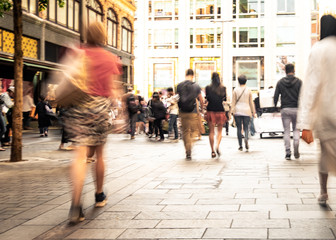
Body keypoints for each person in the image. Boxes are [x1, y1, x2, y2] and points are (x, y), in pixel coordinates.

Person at [59, 22, 122, 224]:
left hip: (78, 106)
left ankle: (76, 205)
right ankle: (99, 194)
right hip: (100, 108)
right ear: (104, 36)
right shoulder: (111, 58)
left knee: (79, 155)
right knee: (99, 155)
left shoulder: (77, 52)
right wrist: (121, 114)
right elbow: (113, 89)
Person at [297, 15, 336, 206]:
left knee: (325, 155)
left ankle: (323, 192)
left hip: (327, 115)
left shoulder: (319, 49)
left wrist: (305, 124)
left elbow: (311, 86)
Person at [274, 63, 302, 160]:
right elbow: (303, 95)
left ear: (285, 71)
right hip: (297, 108)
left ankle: (288, 152)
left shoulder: (280, 82)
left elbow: (276, 96)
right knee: (296, 129)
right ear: (293, 70)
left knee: (286, 131)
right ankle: (296, 146)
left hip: (285, 109)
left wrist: (275, 107)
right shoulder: (299, 82)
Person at [177, 69, 204, 160]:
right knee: (193, 130)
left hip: (183, 111)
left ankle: (187, 150)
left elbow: (177, 97)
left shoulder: (179, 85)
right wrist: (202, 109)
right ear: (193, 75)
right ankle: (190, 144)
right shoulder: (196, 86)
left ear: (185, 75)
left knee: (185, 131)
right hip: (193, 111)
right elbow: (201, 99)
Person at [205, 72, 227, 158]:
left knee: (211, 132)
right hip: (220, 110)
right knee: (220, 131)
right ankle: (217, 145)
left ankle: (212, 151)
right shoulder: (223, 88)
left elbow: (207, 98)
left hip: (210, 110)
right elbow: (224, 98)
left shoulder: (208, 88)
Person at [231, 75, 255, 151]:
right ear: (246, 81)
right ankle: (246, 139)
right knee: (246, 127)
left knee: (238, 128)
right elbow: (251, 102)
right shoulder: (249, 90)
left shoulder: (235, 90)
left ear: (238, 81)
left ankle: (240, 145)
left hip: (238, 110)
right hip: (247, 110)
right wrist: (253, 112)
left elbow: (233, 102)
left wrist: (231, 111)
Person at [0, 86, 14, 150]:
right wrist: (14, 103)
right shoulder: (5, 96)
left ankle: (5, 141)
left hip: (4, 113)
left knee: (5, 128)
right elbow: (9, 105)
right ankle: (4, 141)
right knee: (4, 128)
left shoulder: (5, 96)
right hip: (3, 113)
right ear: (10, 92)